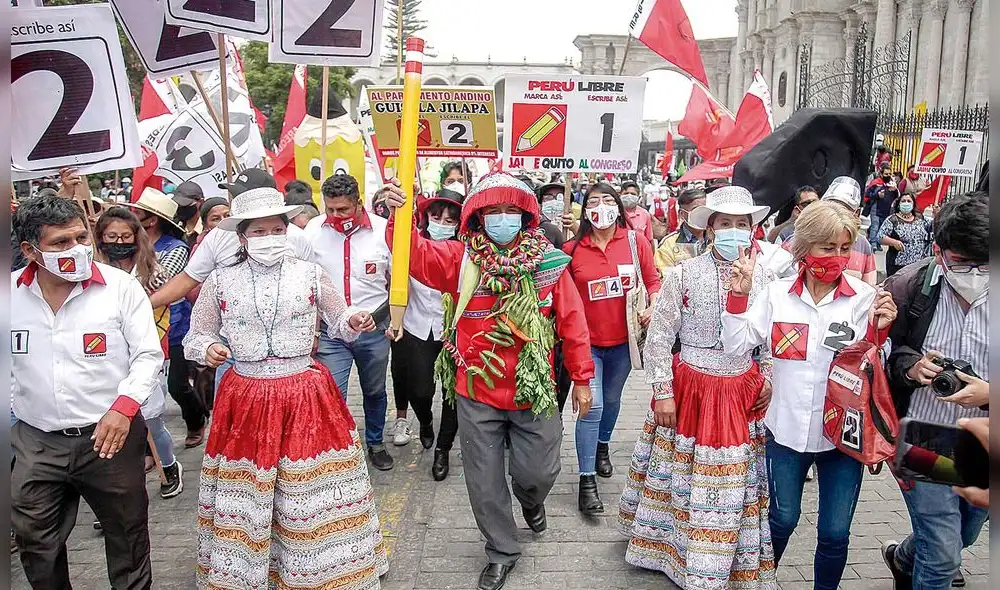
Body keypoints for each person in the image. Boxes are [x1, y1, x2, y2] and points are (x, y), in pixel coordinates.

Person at [383, 173, 594, 590]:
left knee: (538, 472)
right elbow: (413, 254)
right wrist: (400, 213)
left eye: (510, 211)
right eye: (492, 212)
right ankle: (501, 548)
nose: (501, 219)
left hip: (534, 392)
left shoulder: (548, 263)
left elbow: (573, 322)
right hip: (476, 391)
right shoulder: (460, 260)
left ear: (524, 216)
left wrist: (583, 378)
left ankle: (531, 501)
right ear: (478, 219)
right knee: (483, 480)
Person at [182, 187, 388, 589]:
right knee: (252, 491)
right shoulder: (221, 281)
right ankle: (249, 571)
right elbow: (197, 335)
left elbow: (339, 317)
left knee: (306, 489)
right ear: (242, 236)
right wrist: (209, 348)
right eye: (259, 231)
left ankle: (322, 570)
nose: (270, 237)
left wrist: (357, 319)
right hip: (246, 395)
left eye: (277, 228)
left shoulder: (310, 273)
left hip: (305, 394)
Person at [720, 200, 897, 590]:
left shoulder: (865, 299)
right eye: (826, 247)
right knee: (781, 519)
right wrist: (738, 297)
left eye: (843, 248)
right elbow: (735, 346)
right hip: (785, 433)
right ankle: (760, 582)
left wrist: (881, 332)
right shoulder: (776, 295)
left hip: (842, 439)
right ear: (804, 249)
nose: (836, 257)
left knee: (834, 533)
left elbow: (872, 367)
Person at [619, 186, 776, 588]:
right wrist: (662, 391)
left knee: (730, 483)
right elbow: (658, 336)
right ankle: (674, 553)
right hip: (691, 386)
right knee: (683, 476)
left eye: (743, 224)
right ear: (709, 229)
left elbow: (772, 337)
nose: (735, 231)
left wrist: (769, 378)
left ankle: (722, 561)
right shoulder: (683, 274)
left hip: (739, 390)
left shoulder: (766, 278)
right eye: (726, 224)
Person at [11, 194, 164, 589]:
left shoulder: (119, 288)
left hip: (110, 437)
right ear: (30, 250)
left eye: (81, 238)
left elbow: (148, 354)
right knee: (35, 541)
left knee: (127, 537)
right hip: (37, 439)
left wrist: (124, 407)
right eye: (60, 243)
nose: (76, 249)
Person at [881, 192, 989, 590]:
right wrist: (912, 367)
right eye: (963, 263)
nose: (976, 273)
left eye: (986, 263)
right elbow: (882, 358)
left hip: (984, 439)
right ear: (938, 250)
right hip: (926, 436)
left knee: (964, 535)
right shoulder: (910, 287)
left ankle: (902, 557)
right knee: (943, 557)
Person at [147, 169, 313, 391]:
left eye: (275, 231)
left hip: (290, 357)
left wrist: (316, 333)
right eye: (259, 232)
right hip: (234, 349)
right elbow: (187, 280)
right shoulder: (220, 236)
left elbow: (314, 291)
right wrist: (144, 304)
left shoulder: (298, 239)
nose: (233, 200)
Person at [564, 182, 660, 515]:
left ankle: (602, 446)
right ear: (584, 209)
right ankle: (586, 480)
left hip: (624, 343)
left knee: (613, 400)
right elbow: (560, 298)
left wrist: (654, 303)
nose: (601, 207)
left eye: (608, 200)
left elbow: (653, 280)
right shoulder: (572, 250)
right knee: (592, 405)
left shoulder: (636, 242)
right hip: (585, 344)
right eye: (593, 201)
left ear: (619, 207)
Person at [93, 207, 183, 498]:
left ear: (136, 236)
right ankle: (114, 492)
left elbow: (167, 302)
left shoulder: (152, 270)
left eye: (124, 236)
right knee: (110, 422)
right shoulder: (90, 272)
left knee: (150, 418)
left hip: (147, 350)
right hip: (103, 357)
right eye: (111, 236)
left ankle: (168, 464)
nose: (118, 242)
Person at [306, 174, 394, 471]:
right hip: (331, 332)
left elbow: (396, 284)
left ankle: (375, 442)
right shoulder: (312, 232)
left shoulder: (384, 232)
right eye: (329, 209)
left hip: (374, 330)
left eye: (342, 210)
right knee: (333, 393)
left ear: (358, 203)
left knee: (374, 390)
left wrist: (381, 318)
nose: (334, 216)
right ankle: (339, 447)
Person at [389, 189, 463, 480]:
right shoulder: (411, 245)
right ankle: (425, 421)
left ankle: (443, 449)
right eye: (436, 216)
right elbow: (394, 280)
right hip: (418, 326)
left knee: (453, 395)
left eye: (450, 219)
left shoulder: (468, 250)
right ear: (425, 217)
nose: (443, 222)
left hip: (454, 332)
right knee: (419, 390)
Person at [126, 188, 207, 448]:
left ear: (151, 220)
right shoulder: (125, 246)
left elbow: (157, 283)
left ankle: (196, 421)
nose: (131, 216)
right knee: (144, 388)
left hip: (174, 327)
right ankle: (151, 447)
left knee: (177, 385)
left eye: (137, 213)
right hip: (135, 327)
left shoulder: (176, 248)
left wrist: (124, 287)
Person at [783, 176, 878, 286]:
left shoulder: (864, 246)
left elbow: (869, 286)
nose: (836, 214)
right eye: (828, 248)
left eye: (845, 248)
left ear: (856, 214)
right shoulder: (799, 240)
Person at [653, 187, 709, 272]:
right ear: (682, 214)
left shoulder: (716, 240)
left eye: (704, 210)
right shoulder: (668, 245)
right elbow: (665, 279)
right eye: (696, 210)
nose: (701, 214)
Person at [877, 192, 931, 277]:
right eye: (903, 201)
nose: (906, 203)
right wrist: (894, 242)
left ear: (913, 205)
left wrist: (936, 213)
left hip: (918, 266)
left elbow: (934, 226)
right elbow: (880, 237)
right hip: (898, 266)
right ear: (899, 204)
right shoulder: (892, 220)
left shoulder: (921, 219)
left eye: (909, 201)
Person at [864, 162, 899, 250]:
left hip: (886, 209)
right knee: (875, 225)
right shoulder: (876, 183)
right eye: (886, 174)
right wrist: (877, 195)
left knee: (881, 226)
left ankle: (877, 242)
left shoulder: (892, 184)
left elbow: (897, 196)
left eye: (889, 174)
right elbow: (868, 194)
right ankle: (873, 243)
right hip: (876, 208)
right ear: (881, 174)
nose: (888, 175)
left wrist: (894, 190)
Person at [171, 181, 205, 246]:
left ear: (201, 202)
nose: (180, 208)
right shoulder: (173, 227)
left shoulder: (208, 229)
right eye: (178, 204)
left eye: (185, 205)